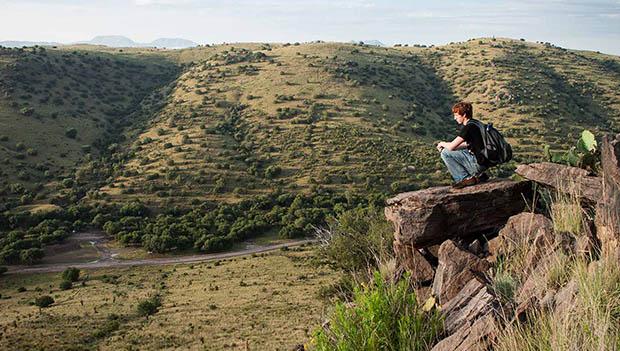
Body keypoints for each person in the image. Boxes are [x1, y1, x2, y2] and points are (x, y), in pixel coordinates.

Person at [436, 102, 489, 188]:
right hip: (485, 162)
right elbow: (467, 144)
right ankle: (478, 176)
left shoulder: (468, 128)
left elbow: (451, 147)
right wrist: (449, 145)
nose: (454, 118)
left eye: (456, 115)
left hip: (478, 163)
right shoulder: (477, 124)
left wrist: (442, 144)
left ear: (464, 115)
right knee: (457, 149)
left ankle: (464, 178)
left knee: (445, 152)